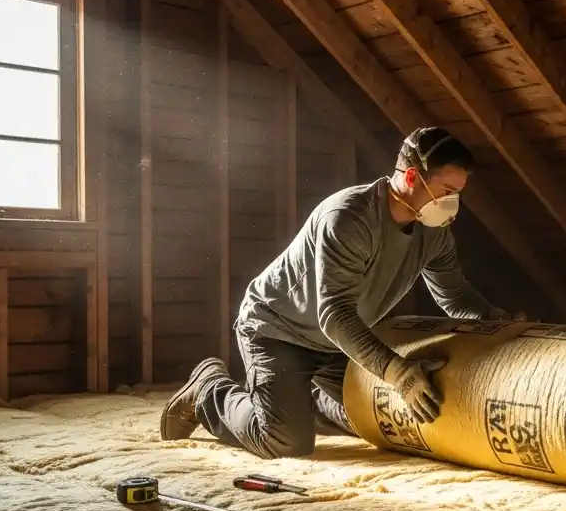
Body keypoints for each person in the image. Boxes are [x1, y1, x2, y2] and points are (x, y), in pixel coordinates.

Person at [157, 127, 525, 459]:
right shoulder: (349, 218)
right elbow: (334, 313)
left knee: (381, 420)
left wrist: (498, 322)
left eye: (458, 193)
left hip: (338, 344)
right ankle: (210, 391)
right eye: (447, 191)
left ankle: (299, 401)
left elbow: (455, 298)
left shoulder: (435, 233)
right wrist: (396, 372)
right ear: (412, 176)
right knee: (285, 442)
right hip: (278, 332)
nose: (452, 203)